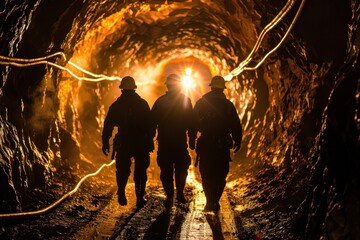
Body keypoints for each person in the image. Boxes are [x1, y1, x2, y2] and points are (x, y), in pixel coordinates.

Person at [102, 76, 153, 208]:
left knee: (122, 169)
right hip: (140, 142)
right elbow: (151, 124)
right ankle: (140, 198)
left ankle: (121, 191)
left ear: (122, 89)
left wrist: (105, 142)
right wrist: (149, 139)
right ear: (134, 88)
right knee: (141, 171)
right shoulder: (142, 104)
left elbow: (108, 125)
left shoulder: (117, 105)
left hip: (124, 141)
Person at [194, 75, 242, 212]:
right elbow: (235, 125)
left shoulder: (201, 102)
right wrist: (237, 140)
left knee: (206, 173)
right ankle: (215, 201)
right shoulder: (228, 105)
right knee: (221, 174)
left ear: (212, 87)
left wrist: (192, 137)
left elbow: (193, 122)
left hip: (206, 144)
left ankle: (210, 201)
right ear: (222, 88)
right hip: (222, 145)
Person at [151, 74, 196, 208]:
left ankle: (170, 196)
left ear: (168, 86)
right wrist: (192, 138)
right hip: (179, 142)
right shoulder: (186, 101)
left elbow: (152, 122)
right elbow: (192, 122)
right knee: (181, 168)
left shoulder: (160, 102)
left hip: (165, 142)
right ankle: (180, 194)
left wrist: (149, 138)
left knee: (166, 170)